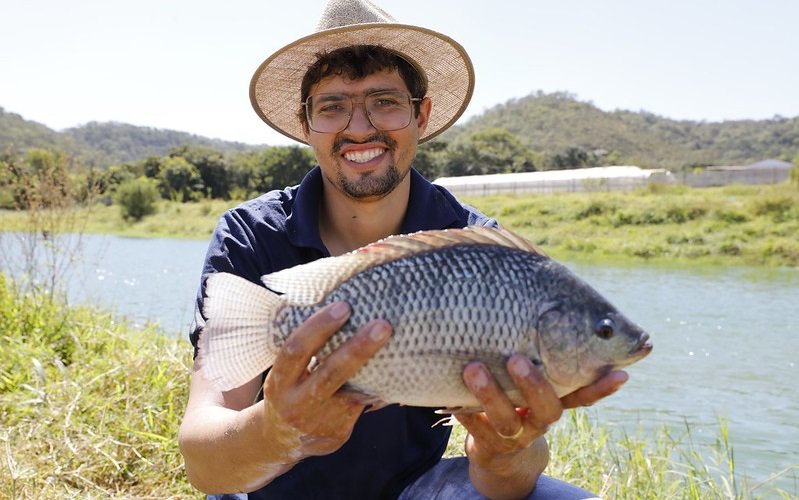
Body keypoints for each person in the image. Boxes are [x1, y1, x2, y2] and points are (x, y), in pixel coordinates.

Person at [178, 1, 628, 498]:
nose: (359, 127)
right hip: (267, 485)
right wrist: (278, 431)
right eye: (331, 107)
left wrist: (507, 450)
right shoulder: (251, 234)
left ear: (422, 113)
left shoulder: (480, 247)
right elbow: (203, 462)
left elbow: (507, 481)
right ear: (305, 124)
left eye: (385, 101)